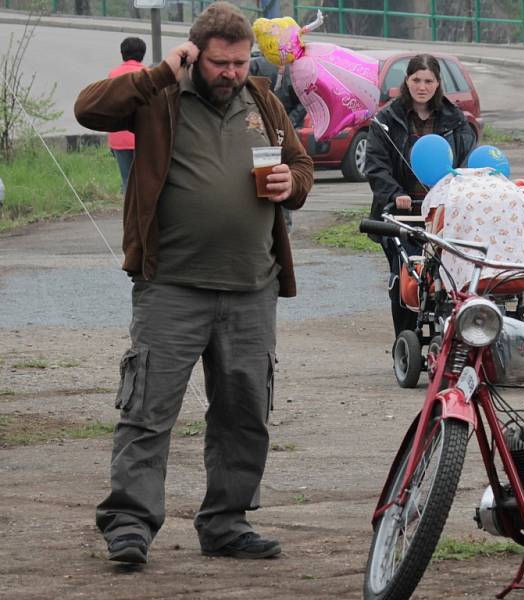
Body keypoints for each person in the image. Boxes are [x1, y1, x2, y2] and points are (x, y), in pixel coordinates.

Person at [74, 1, 313, 566]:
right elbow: (89, 110)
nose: (232, 73)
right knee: (149, 408)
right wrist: (162, 70)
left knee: (244, 412)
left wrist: (291, 182)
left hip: (251, 286)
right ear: (194, 53)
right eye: (220, 63)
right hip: (172, 287)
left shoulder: (263, 100)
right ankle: (129, 525)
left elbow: (301, 167)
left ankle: (226, 523)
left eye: (240, 62)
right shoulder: (159, 96)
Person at [365, 53, 476, 336]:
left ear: (438, 84)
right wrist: (394, 193)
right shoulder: (386, 119)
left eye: (429, 81)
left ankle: (446, 336)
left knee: (446, 277)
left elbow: (463, 163)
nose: (422, 86)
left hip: (443, 213)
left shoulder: (455, 121)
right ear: (407, 81)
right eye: (416, 80)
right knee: (407, 277)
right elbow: (376, 165)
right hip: (403, 213)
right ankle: (406, 337)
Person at [249, 54, 307, 232]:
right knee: (270, 178)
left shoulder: (295, 69)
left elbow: (302, 102)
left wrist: (286, 121)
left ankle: (283, 225)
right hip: (260, 132)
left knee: (280, 176)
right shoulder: (256, 65)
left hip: (279, 133)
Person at [107, 37, 146, 195]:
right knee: (145, 182)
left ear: (122, 53)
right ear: (143, 54)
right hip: (143, 135)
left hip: (119, 136)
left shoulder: (112, 75)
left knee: (127, 182)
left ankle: (127, 217)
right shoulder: (148, 74)